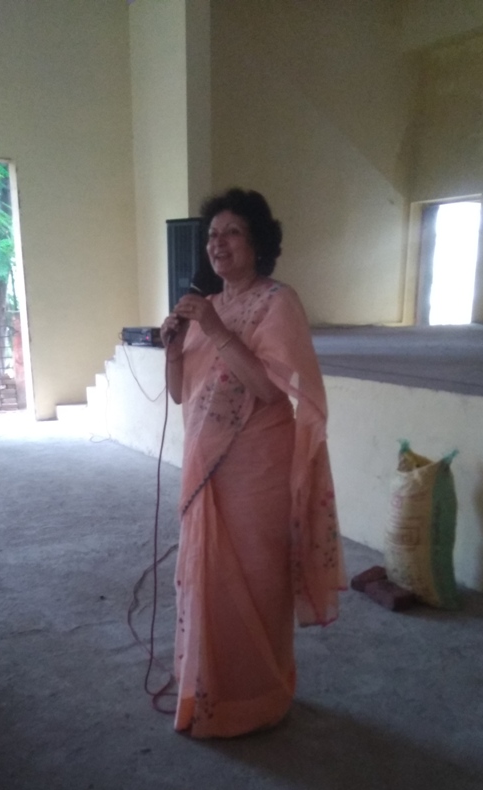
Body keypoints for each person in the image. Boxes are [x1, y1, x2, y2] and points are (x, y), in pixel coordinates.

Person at [160, 188, 345, 739]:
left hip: (257, 465)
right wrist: (174, 347)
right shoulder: (207, 305)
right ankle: (211, 694)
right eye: (212, 236)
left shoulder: (276, 301)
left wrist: (215, 330)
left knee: (257, 578)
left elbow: (267, 388)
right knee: (210, 582)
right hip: (206, 462)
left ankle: (258, 698)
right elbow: (180, 394)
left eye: (232, 233)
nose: (218, 244)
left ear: (258, 242)